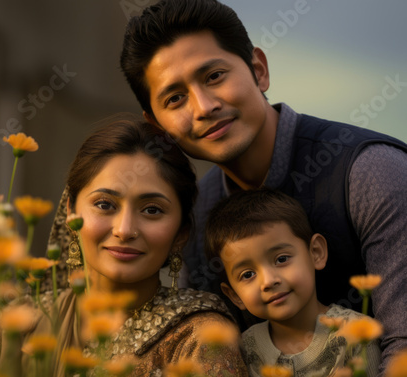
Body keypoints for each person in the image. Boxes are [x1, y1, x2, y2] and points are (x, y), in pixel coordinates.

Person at [118, 0, 407, 374]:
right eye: (175, 98)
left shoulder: (370, 172)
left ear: (259, 70)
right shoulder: (197, 215)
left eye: (214, 76)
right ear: (157, 126)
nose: (204, 107)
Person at [0, 117, 248, 377]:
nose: (124, 230)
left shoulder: (199, 339)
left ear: (181, 233)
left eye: (151, 210)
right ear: (71, 212)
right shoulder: (11, 328)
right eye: (104, 205)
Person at [204, 188, 381, 376]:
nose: (269, 281)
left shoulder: (358, 335)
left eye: (281, 259)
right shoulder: (242, 350)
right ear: (234, 295)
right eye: (248, 274)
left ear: (316, 252)